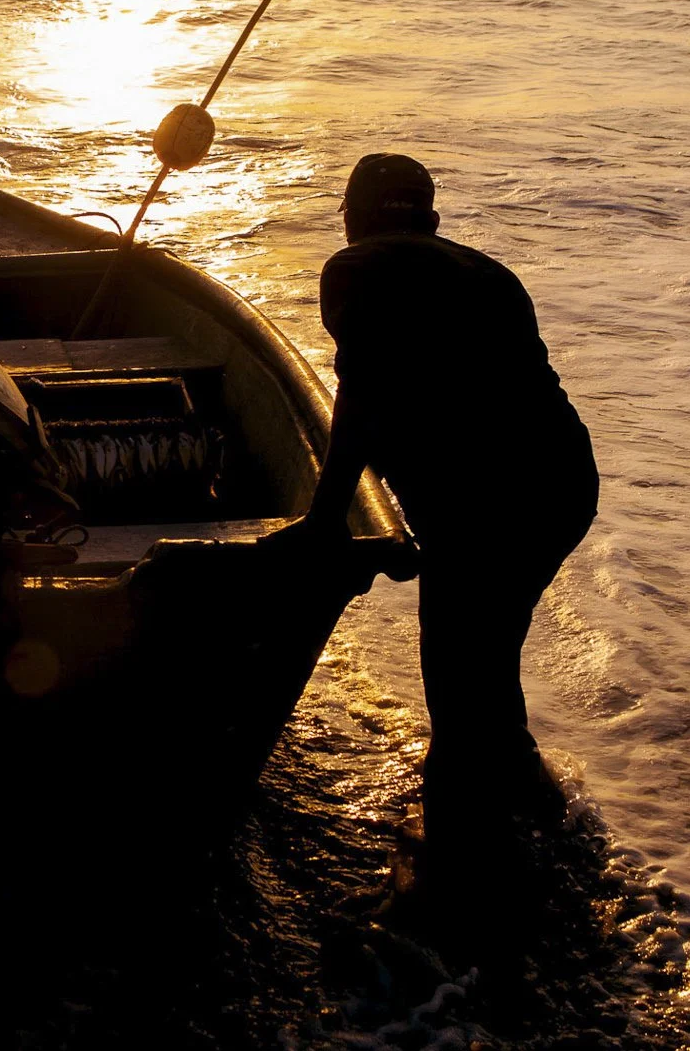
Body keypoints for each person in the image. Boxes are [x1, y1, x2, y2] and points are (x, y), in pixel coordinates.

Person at [266, 153, 598, 894]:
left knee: (457, 666)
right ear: (432, 218)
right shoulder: (487, 271)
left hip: (484, 502)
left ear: (352, 216)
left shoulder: (354, 267)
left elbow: (361, 398)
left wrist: (325, 520)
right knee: (488, 646)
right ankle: (526, 789)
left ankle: (456, 872)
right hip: (564, 482)